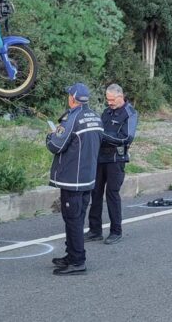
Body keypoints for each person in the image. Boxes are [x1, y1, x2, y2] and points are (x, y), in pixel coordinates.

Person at [47, 83, 102, 275]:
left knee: (73, 220)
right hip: (88, 177)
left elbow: (56, 145)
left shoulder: (72, 118)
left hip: (72, 178)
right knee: (76, 218)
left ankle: (78, 261)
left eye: (69, 95)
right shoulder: (96, 116)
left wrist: (50, 136)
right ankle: (71, 255)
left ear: (72, 98)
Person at [86, 84, 138, 245]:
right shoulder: (106, 112)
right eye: (107, 99)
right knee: (95, 193)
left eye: (111, 99)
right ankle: (95, 230)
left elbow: (126, 137)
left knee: (112, 195)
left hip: (116, 160)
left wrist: (103, 136)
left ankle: (116, 231)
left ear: (120, 96)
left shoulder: (130, 113)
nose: (109, 102)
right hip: (100, 158)